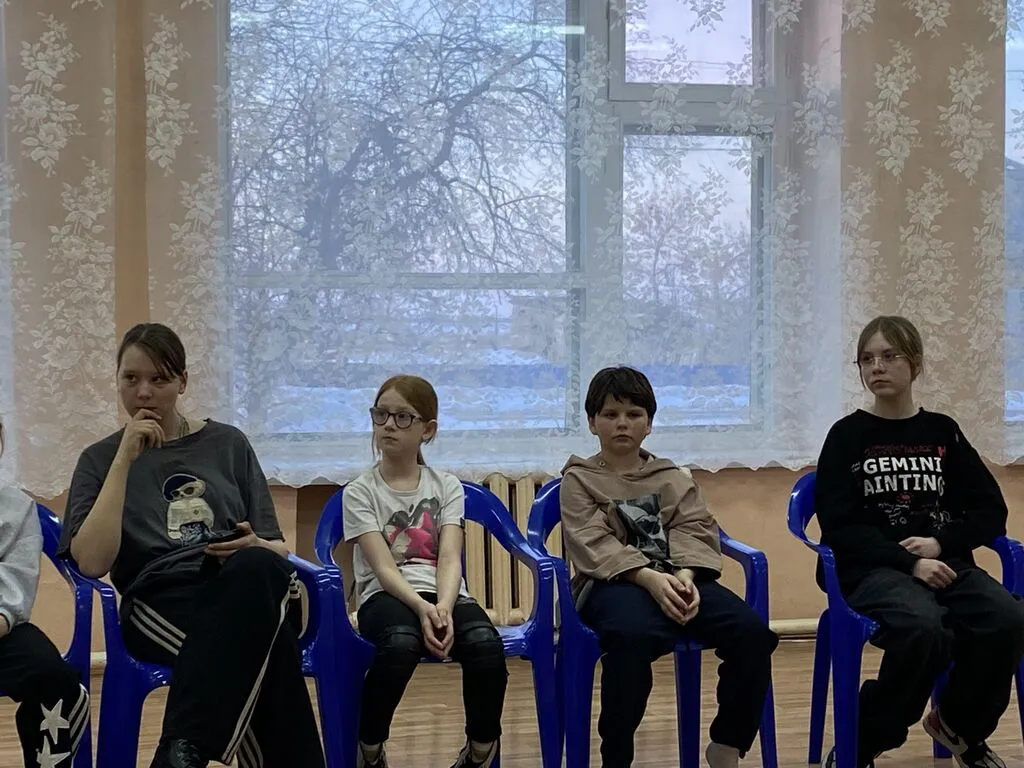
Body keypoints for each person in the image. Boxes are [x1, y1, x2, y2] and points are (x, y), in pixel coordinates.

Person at [58, 323, 324, 768]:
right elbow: (90, 563)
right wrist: (124, 459)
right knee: (265, 651)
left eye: (159, 379)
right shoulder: (98, 459)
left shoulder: (229, 443)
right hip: (163, 599)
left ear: (182, 382)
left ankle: (183, 748)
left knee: (258, 568)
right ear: (117, 380)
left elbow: (277, 549)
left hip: (244, 580)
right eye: (131, 378)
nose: (144, 392)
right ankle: (183, 749)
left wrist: (256, 545)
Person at [815, 315, 1024, 768]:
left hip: (944, 563)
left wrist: (939, 544)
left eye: (889, 356)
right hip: (872, 569)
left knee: (1008, 617)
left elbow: (990, 511)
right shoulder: (846, 436)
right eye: (866, 359)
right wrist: (908, 562)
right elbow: (839, 525)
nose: (877, 367)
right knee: (924, 629)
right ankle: (860, 741)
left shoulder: (943, 432)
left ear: (915, 362)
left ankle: (958, 725)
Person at [559, 366, 778, 768]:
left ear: (649, 424)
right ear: (592, 422)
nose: (622, 423)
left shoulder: (671, 476)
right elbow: (592, 542)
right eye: (610, 414)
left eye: (633, 414)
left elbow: (695, 527)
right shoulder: (579, 479)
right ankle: (616, 757)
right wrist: (648, 578)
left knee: (751, 633)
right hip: (612, 584)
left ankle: (727, 744)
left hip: (679, 576)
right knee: (632, 638)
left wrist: (685, 576)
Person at [343, 374, 507, 768]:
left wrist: (445, 607)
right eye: (381, 414)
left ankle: (480, 752)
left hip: (445, 593)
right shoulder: (359, 491)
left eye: (403, 417)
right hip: (386, 596)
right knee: (400, 644)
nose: (388, 425)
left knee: (485, 645)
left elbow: (449, 558)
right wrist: (421, 608)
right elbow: (383, 568)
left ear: (427, 430)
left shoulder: (447, 485)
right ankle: (370, 748)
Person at [0, 422, 90, 768]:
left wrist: (3, 616)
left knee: (54, 679)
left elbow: (17, 577)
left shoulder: (16, 507)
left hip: (3, 627)